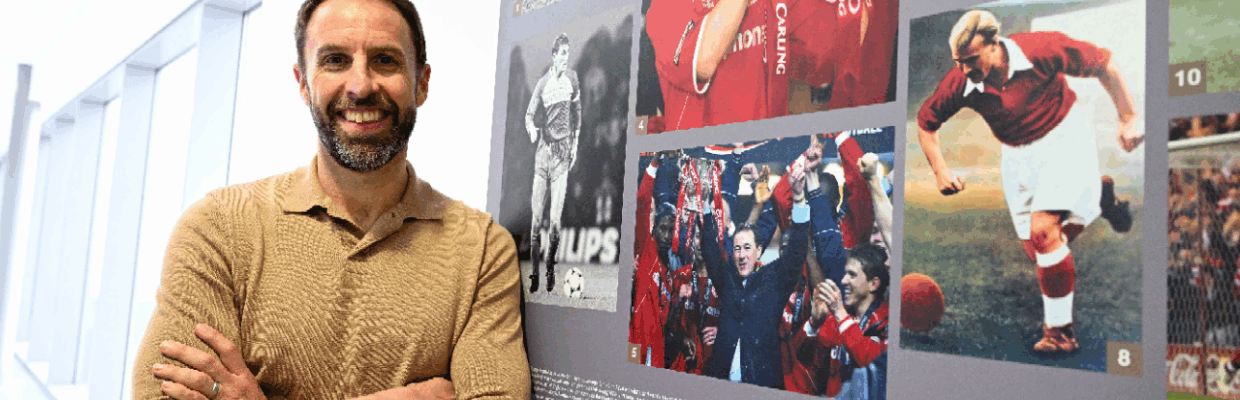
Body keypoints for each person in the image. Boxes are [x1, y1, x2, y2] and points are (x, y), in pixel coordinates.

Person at [134, 0, 530, 399]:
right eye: (336, 60)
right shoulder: (218, 228)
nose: (361, 86)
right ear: (303, 83)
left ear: (421, 82)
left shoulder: (481, 250)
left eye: (385, 60)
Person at [914, 9, 1141, 353]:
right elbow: (926, 122)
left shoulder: (1039, 50)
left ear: (994, 45)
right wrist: (940, 170)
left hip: (1063, 137)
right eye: (958, 62)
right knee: (1039, 253)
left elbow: (1103, 63)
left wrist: (1128, 117)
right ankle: (1098, 199)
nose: (964, 70)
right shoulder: (961, 82)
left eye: (971, 59)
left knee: (1044, 232)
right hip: (1017, 156)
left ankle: (1060, 332)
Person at [698, 163, 812, 389]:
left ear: (759, 251)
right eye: (737, 248)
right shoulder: (726, 279)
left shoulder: (775, 280)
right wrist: (704, 203)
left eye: (747, 248)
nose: (741, 255)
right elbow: (710, 249)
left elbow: (798, 248)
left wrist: (799, 199)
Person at [525, 32, 582, 293]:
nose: (566, 59)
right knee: (536, 220)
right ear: (553, 56)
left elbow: (578, 115)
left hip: (562, 155)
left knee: (555, 221)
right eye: (562, 54)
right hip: (544, 154)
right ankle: (534, 274)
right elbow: (529, 114)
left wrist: (575, 146)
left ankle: (549, 267)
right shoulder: (542, 84)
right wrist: (532, 130)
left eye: (568, 54)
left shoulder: (572, 79)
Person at [803, 242, 890, 400]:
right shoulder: (836, 317)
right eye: (845, 274)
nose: (843, 281)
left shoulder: (886, 323)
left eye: (852, 275)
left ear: (873, 284)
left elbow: (872, 366)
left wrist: (839, 313)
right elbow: (808, 363)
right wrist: (814, 324)